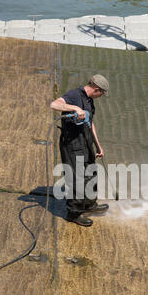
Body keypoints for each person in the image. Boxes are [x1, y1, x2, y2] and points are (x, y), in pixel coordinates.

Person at [50, 74, 110, 227]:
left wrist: (98, 145)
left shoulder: (89, 101)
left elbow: (90, 122)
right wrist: (74, 108)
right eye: (101, 94)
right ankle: (73, 213)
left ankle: (89, 204)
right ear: (96, 89)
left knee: (91, 174)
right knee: (76, 180)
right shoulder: (74, 95)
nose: (100, 97)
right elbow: (54, 104)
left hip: (86, 142)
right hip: (71, 145)